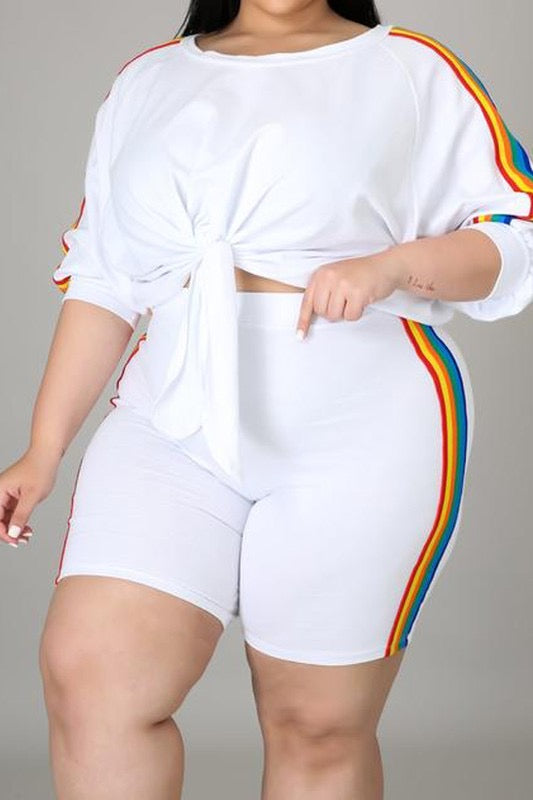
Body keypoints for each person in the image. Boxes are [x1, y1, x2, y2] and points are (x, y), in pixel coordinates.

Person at [2, 0, 532, 796]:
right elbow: (104, 278)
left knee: (314, 726)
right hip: (170, 417)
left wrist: (392, 266)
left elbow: (514, 233)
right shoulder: (149, 79)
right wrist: (43, 450)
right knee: (92, 685)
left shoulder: (412, 68)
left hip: (360, 426)